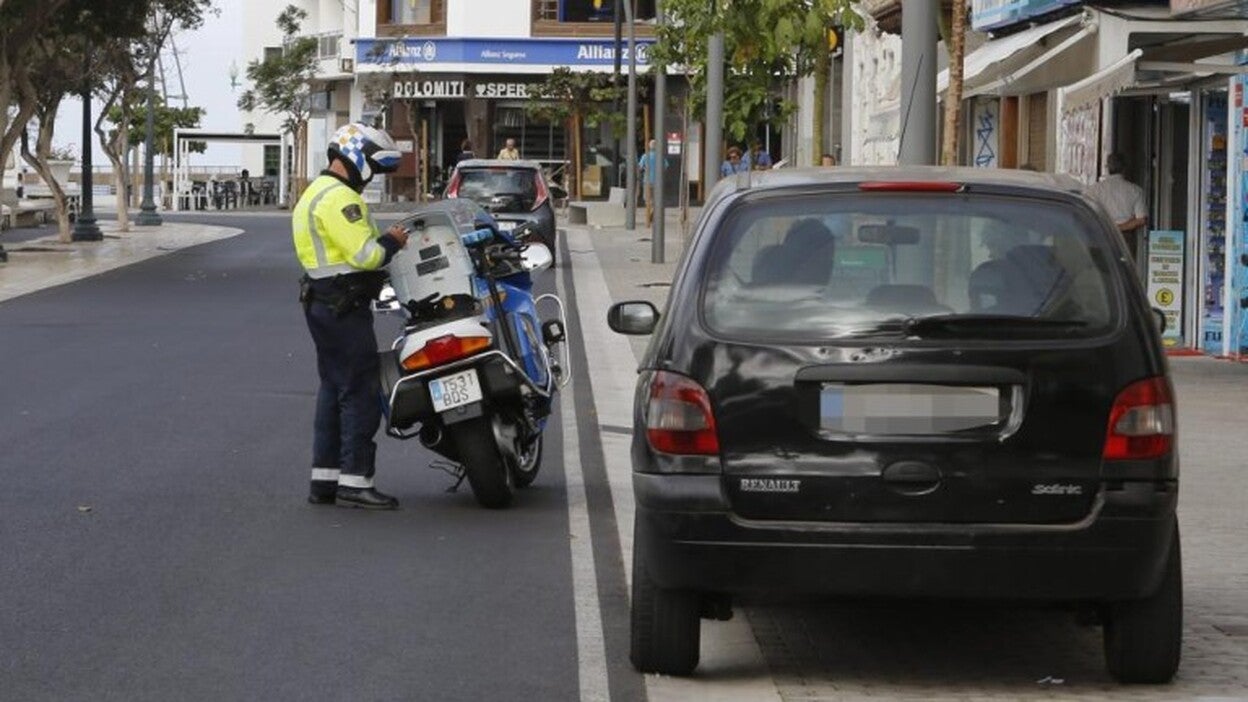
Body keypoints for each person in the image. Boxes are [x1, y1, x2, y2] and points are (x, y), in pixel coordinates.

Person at [294, 122, 409, 510]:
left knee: (333, 390)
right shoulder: (342, 199)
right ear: (356, 156)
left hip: (321, 303)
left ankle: (324, 480)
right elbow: (367, 256)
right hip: (344, 307)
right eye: (373, 166)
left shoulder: (313, 193)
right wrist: (392, 241)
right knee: (359, 390)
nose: (372, 175)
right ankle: (356, 481)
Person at [1085, 153, 1147, 261]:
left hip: (1101, 234)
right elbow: (1141, 220)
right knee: (1124, 270)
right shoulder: (1135, 190)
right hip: (1125, 237)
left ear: (1107, 167)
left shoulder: (1094, 190)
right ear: (1125, 168)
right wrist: (1119, 228)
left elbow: (1088, 213)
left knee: (1102, 269)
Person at [638, 138, 666, 227]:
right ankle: (652, 213)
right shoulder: (660, 156)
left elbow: (640, 167)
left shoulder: (645, 156)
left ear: (649, 147)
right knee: (656, 200)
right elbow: (665, 166)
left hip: (647, 181)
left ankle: (648, 215)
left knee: (647, 199)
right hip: (657, 181)